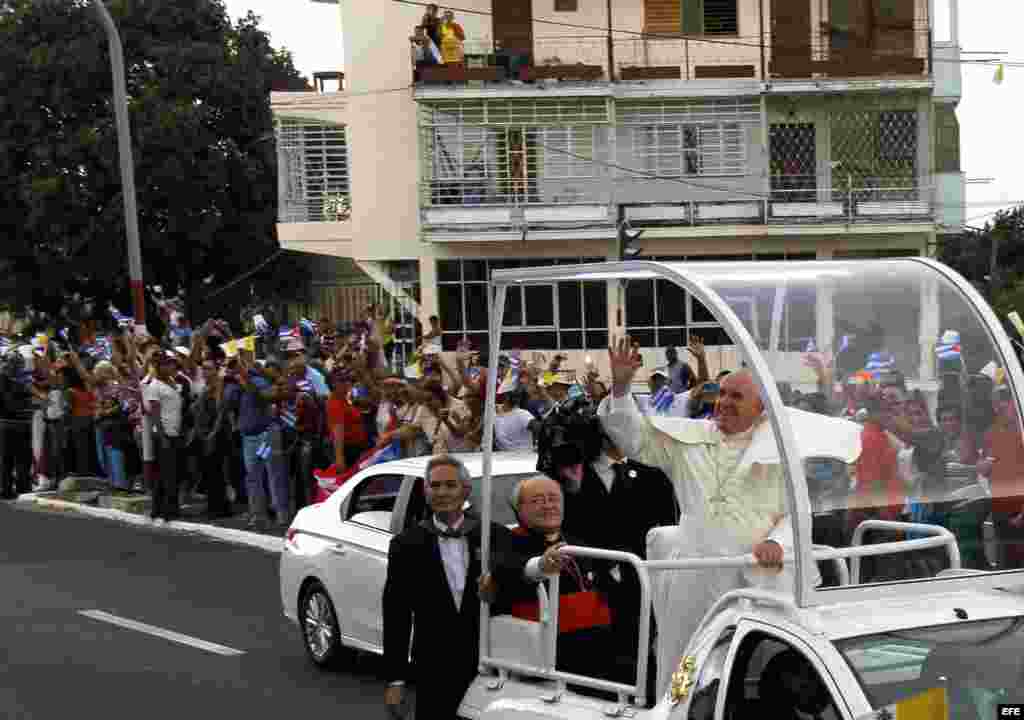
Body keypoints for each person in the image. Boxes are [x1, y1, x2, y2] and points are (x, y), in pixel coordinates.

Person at [598, 337, 822, 697]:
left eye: (737, 397)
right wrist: (622, 388)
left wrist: (777, 542)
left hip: (757, 575)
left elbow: (799, 512)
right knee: (686, 656)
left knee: (757, 662)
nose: (724, 402)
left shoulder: (780, 449)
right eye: (722, 393)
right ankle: (675, 708)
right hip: (696, 571)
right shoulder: (688, 437)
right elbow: (633, 439)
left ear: (761, 407)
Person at [382, 455, 522, 720]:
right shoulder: (406, 545)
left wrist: (496, 591)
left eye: (450, 485)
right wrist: (396, 679)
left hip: (489, 664)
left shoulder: (496, 537)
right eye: (434, 486)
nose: (442, 492)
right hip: (433, 667)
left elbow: (517, 594)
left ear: (465, 491)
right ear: (426, 492)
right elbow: (396, 614)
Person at [498, 475, 616, 681]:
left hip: (598, 651)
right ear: (519, 508)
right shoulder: (506, 542)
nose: (548, 505)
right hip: (544, 659)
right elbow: (509, 572)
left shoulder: (579, 543)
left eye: (553, 499)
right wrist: (540, 566)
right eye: (537, 500)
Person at [145, 352, 185, 524]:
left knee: (171, 473)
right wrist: (162, 436)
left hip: (175, 432)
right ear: (159, 367)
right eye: (166, 364)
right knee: (165, 474)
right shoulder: (155, 386)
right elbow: (155, 414)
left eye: (171, 364)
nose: (170, 367)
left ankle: (166, 509)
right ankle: (164, 510)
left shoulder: (173, 383)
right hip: (164, 433)